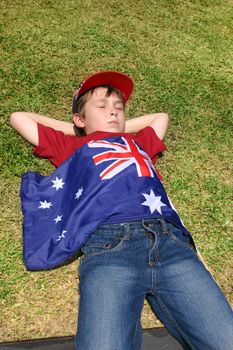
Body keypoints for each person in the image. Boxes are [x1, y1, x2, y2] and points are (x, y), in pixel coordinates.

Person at [10, 71, 233, 350]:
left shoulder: (138, 144)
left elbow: (160, 117)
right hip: (111, 246)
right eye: (102, 107)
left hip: (170, 243)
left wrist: (108, 125)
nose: (113, 112)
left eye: (119, 108)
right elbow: (18, 117)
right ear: (79, 119)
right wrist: (78, 129)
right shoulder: (71, 146)